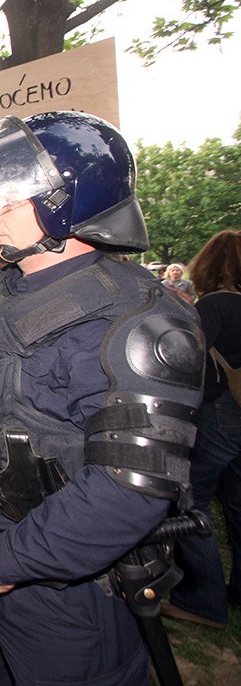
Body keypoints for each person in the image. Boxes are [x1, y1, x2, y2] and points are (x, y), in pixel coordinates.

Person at [0, 112, 203, 685]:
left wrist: (10, 558)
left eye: (7, 200)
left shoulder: (135, 318)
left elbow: (129, 487)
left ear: (63, 201)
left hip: (64, 589)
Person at [165, 230, 241, 629]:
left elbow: (187, 359)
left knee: (190, 499)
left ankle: (203, 600)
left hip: (220, 411)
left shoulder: (216, 305)